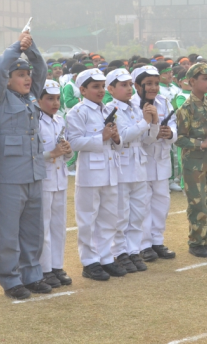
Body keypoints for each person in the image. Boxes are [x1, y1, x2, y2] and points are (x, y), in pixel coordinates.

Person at [0, 32, 51, 299]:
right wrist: (17, 47)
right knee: (9, 233)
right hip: (10, 178)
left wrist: (31, 47)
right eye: (20, 75)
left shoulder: (32, 97)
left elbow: (42, 69)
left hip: (34, 174)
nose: (28, 79)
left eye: (28, 75)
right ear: (8, 79)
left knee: (33, 231)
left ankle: (32, 275)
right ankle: (10, 279)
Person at [67, 68, 125, 280]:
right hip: (90, 172)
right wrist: (101, 137)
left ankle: (106, 258)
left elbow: (117, 143)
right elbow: (73, 142)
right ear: (82, 90)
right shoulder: (77, 112)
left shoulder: (108, 110)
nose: (100, 91)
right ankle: (90, 261)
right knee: (88, 219)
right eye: (95, 87)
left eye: (102, 86)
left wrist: (116, 138)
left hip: (110, 170)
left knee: (109, 217)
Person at [105, 67, 158, 272]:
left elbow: (148, 140)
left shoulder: (137, 108)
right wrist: (145, 122)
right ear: (111, 89)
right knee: (121, 214)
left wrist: (154, 123)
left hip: (139, 165)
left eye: (129, 85)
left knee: (138, 213)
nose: (128, 89)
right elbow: (123, 136)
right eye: (123, 85)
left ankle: (133, 250)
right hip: (121, 165)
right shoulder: (110, 109)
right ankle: (119, 252)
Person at [175, 63, 207, 258]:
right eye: (204, 79)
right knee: (198, 204)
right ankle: (196, 242)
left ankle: (206, 240)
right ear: (192, 81)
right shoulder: (186, 108)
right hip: (194, 162)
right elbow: (179, 138)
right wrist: (201, 144)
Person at [131, 66, 178, 261]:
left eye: (156, 83)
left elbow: (174, 124)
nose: (153, 87)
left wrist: (170, 133)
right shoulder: (132, 104)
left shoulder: (163, 101)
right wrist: (154, 131)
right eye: (148, 83)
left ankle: (157, 240)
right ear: (137, 85)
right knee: (143, 203)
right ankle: (144, 244)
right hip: (142, 161)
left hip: (161, 160)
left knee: (161, 202)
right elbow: (135, 134)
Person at [38, 79, 73, 288]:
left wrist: (67, 151)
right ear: (38, 100)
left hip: (60, 178)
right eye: (50, 98)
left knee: (59, 226)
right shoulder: (34, 121)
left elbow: (67, 155)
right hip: (44, 179)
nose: (55, 103)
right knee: (43, 227)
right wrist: (51, 153)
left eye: (58, 98)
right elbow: (31, 154)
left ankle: (57, 266)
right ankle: (45, 269)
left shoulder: (60, 120)